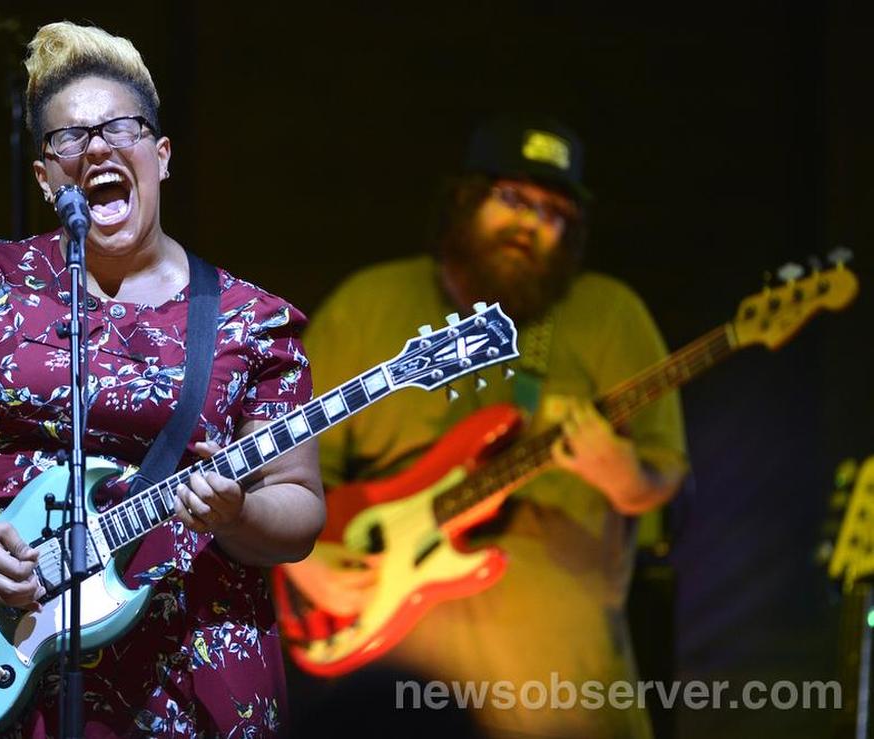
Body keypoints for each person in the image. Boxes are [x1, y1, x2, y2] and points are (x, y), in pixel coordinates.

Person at [0, 21, 324, 738]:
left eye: (122, 127)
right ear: (45, 178)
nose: (96, 147)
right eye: (68, 138)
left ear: (162, 155)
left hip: (179, 673)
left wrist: (237, 513)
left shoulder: (251, 322)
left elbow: (298, 504)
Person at [286, 116, 687, 738]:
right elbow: (284, 464)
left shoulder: (610, 314)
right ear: (464, 201)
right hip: (399, 694)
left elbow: (659, 477)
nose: (530, 224)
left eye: (553, 213)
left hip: (565, 694)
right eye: (511, 200)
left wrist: (624, 474)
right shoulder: (369, 305)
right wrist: (303, 559)